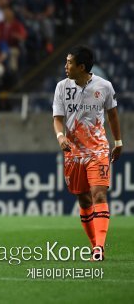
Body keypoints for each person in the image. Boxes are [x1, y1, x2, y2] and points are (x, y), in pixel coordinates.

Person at [52, 45, 122, 261]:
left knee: (99, 194)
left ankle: (99, 248)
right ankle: (94, 245)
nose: (66, 66)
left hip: (97, 150)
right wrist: (60, 137)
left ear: (81, 67)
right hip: (73, 152)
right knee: (83, 200)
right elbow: (58, 119)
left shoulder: (105, 86)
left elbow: (112, 115)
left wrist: (118, 141)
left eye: (69, 63)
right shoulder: (62, 87)